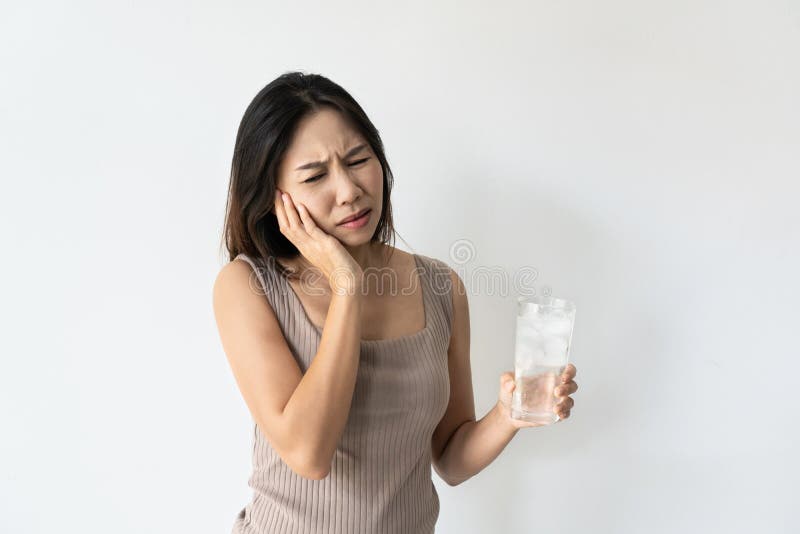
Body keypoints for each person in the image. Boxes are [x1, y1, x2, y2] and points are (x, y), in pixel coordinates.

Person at [212, 71, 579, 534]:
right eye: (316, 175)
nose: (348, 190)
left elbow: (450, 458)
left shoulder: (441, 286)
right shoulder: (247, 286)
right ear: (273, 198)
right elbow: (309, 454)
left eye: (358, 159)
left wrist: (510, 413)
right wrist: (347, 284)